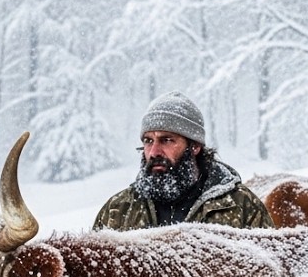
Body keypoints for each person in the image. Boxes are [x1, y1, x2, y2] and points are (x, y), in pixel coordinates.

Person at [93, 90, 274, 231]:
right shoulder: (118, 212)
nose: (154, 151)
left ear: (194, 146)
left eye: (167, 140)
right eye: (148, 141)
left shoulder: (240, 206)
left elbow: (270, 273)